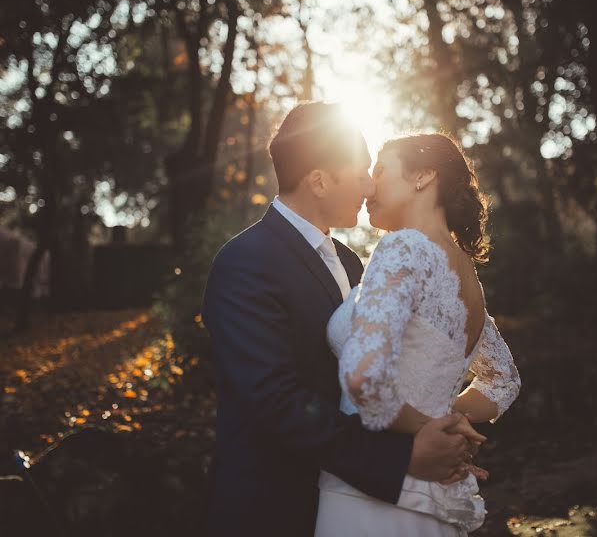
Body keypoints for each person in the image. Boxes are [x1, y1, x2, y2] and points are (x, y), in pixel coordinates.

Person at [202, 103, 484, 537]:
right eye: (360, 171)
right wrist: (401, 458)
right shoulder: (245, 262)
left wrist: (434, 426)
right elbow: (274, 398)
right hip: (275, 507)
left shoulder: (355, 263)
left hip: (353, 500)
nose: (370, 183)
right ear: (319, 180)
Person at [315, 133, 521, 536]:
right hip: (432, 497)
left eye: (381, 170)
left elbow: (364, 378)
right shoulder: (468, 277)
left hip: (369, 502)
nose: (369, 185)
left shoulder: (403, 249)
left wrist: (430, 428)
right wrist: (451, 423)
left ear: (423, 176)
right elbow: (504, 380)